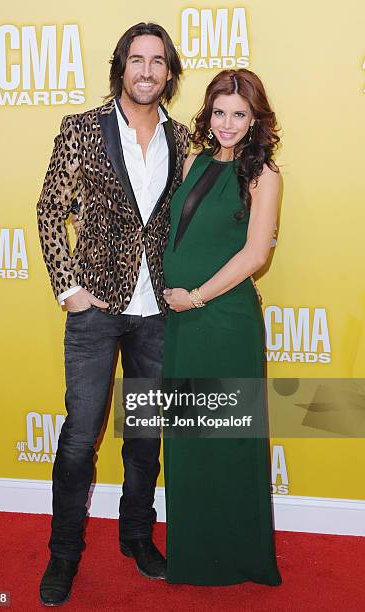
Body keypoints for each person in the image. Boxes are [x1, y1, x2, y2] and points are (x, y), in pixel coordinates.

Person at [36, 22, 190, 606]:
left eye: (156, 61)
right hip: (96, 311)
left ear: (169, 72)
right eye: (136, 60)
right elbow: (51, 206)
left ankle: (136, 537)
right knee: (80, 436)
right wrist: (69, 288)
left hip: (158, 311)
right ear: (120, 67)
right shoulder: (82, 129)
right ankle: (64, 554)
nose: (146, 70)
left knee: (145, 435)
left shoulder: (183, 140)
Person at [162, 68, 283, 586]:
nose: (228, 123)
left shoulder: (265, 175)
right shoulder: (190, 161)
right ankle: (192, 555)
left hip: (224, 321)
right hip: (181, 325)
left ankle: (240, 556)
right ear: (208, 114)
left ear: (255, 119)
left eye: (240, 114)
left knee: (231, 438)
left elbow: (256, 254)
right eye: (220, 112)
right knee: (187, 438)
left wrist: (196, 297)